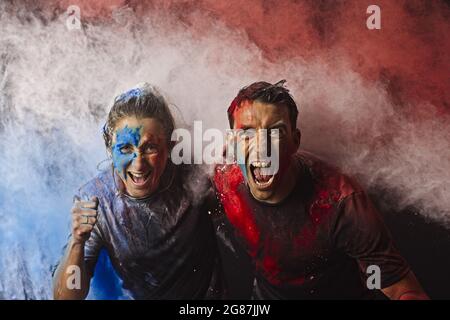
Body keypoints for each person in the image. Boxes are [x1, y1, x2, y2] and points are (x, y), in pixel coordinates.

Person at [213, 80, 429, 299]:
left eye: (275, 132)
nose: (262, 148)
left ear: (295, 141)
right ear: (232, 143)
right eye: (247, 133)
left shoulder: (340, 203)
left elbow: (402, 289)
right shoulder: (223, 178)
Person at [53, 83, 223, 299]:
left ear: (169, 147)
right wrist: (77, 242)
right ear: (110, 149)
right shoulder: (97, 200)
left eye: (150, 148)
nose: (139, 164)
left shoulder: (195, 179)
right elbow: (65, 297)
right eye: (125, 149)